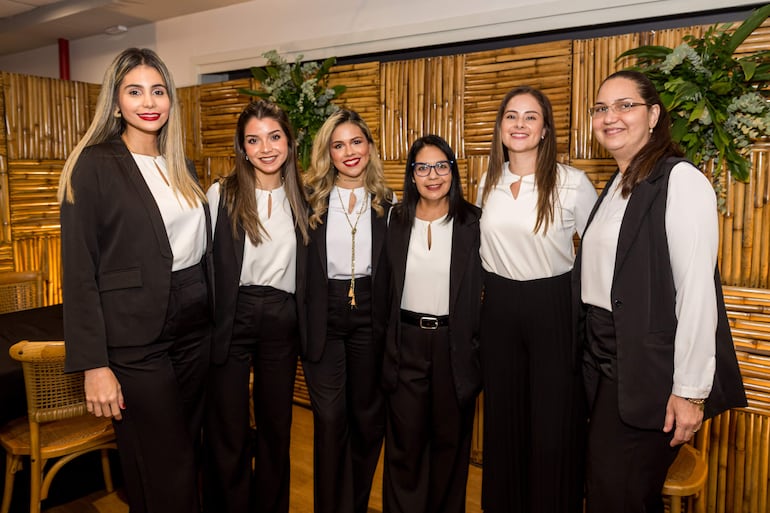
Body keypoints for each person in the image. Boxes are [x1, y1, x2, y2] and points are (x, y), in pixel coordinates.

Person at [577, 69, 747, 513]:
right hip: (602, 362)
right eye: (601, 108)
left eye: (624, 105)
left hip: (648, 373)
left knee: (619, 496)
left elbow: (697, 292)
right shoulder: (616, 184)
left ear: (653, 115)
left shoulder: (680, 180)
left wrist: (690, 392)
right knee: (609, 491)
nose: (610, 116)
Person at [58, 47, 212, 513]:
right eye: (134, 91)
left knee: (184, 455)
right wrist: (94, 365)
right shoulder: (94, 164)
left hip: (195, 328)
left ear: (171, 100)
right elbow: (79, 272)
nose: (149, 102)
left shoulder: (181, 164)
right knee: (166, 462)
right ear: (115, 101)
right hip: (134, 337)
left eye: (158, 91)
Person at [475, 85, 597, 513]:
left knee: (553, 421)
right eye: (511, 116)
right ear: (500, 127)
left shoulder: (572, 183)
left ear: (545, 129)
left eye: (531, 117)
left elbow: (600, 251)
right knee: (504, 418)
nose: (520, 124)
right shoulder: (487, 182)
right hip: (498, 308)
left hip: (553, 306)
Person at [202, 100, 309, 513]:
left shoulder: (305, 197)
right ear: (242, 148)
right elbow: (205, 261)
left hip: (282, 317)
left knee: (276, 427)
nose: (266, 148)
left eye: (274, 136)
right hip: (233, 314)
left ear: (289, 142)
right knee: (227, 426)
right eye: (254, 140)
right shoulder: (222, 194)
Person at [382, 135, 482, 513]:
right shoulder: (394, 220)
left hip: (453, 347)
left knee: (449, 448)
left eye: (441, 166)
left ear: (453, 171)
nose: (433, 175)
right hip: (405, 344)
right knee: (404, 448)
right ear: (411, 175)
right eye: (422, 167)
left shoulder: (474, 222)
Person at [301, 109, 394, 513]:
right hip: (324, 317)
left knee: (368, 421)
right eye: (338, 145)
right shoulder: (309, 201)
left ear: (369, 147)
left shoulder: (388, 204)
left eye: (356, 142)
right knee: (329, 420)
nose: (349, 152)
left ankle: (354, 504)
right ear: (328, 154)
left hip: (371, 317)